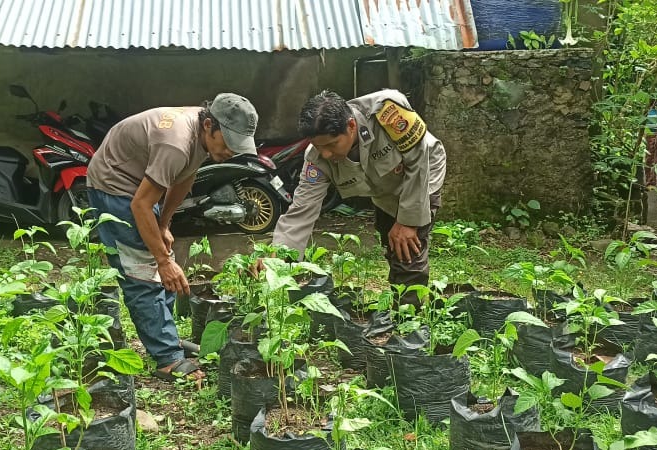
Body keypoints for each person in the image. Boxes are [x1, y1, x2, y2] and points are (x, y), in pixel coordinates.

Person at [86, 94, 259, 383]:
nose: (231, 151)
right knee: (143, 271)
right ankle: (166, 358)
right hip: (115, 187)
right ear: (208, 125)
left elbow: (183, 178)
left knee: (161, 262)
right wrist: (163, 261)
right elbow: (140, 205)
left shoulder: (200, 139)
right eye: (227, 141)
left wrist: (164, 223)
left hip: (139, 186)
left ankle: (166, 339)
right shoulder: (176, 142)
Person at [270, 89, 445, 293]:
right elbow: (302, 210)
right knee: (392, 242)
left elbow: (418, 159)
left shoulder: (388, 111)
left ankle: (408, 321)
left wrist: (407, 222)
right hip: (384, 190)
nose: (325, 153)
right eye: (318, 146)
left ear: (351, 126)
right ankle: (399, 297)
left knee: (407, 250)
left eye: (332, 144)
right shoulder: (317, 158)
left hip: (423, 174)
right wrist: (277, 258)